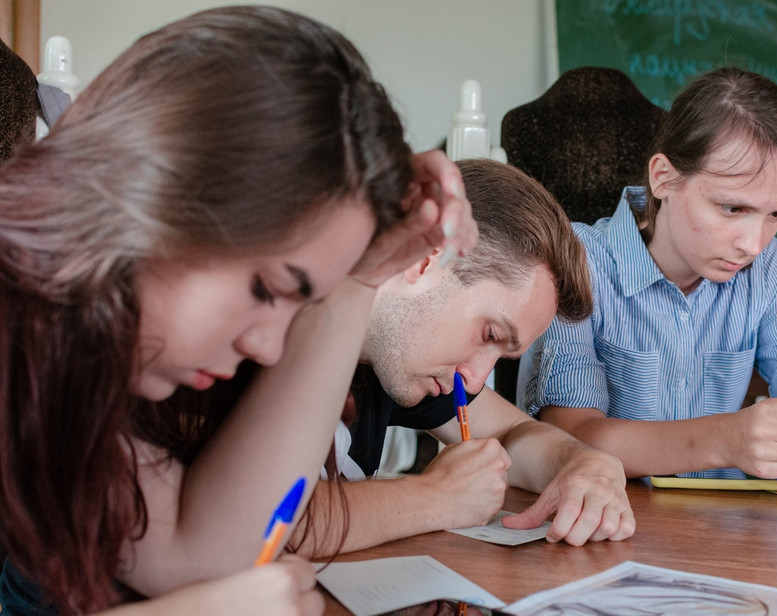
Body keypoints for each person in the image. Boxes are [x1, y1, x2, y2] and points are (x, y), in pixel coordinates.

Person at [0, 6, 476, 615]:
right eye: (266, 288)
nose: (270, 348)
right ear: (166, 191)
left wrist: (359, 278)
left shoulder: (89, 349)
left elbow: (198, 554)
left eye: (302, 302)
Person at [518, 67, 777, 480]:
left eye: (776, 215)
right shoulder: (576, 260)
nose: (754, 244)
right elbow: (568, 437)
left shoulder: (767, 266)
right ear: (663, 178)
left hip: (726, 518)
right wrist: (725, 438)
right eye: (732, 208)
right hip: (613, 512)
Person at [297, 158, 635, 556]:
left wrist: (588, 464)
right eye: (489, 334)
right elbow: (265, 522)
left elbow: (513, 434)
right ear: (425, 258)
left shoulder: (394, 360)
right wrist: (437, 496)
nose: (475, 379)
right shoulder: (273, 332)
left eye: (500, 356)